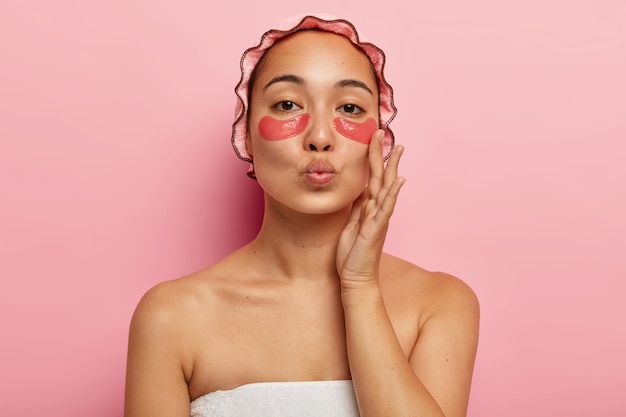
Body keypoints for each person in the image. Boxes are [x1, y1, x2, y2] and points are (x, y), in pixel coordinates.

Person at [124, 14, 479, 417]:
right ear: (246, 135)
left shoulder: (439, 304)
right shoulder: (171, 316)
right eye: (287, 104)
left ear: (379, 139)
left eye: (349, 107)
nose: (320, 138)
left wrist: (360, 290)